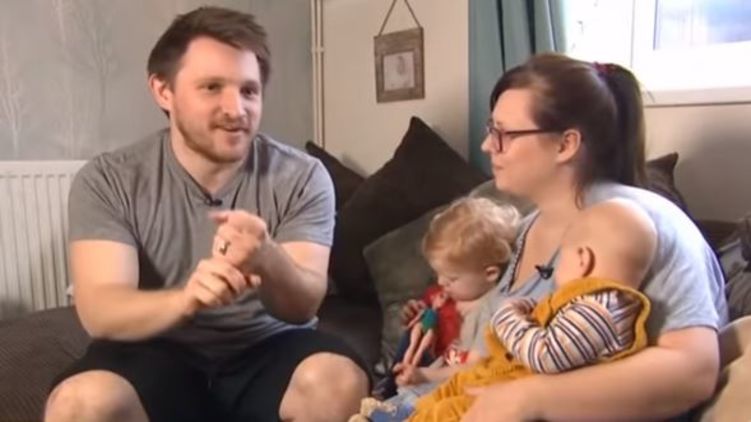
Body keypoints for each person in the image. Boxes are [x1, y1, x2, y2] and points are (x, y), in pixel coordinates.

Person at [44, 7, 368, 422]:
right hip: (154, 349)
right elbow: (100, 312)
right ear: (163, 91)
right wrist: (186, 299)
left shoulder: (303, 176)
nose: (236, 109)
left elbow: (304, 305)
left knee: (338, 382)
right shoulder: (109, 179)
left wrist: (267, 257)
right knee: (79, 404)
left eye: (249, 91)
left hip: (269, 348)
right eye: (212, 87)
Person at [458, 53, 727, 422]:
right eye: (492, 129)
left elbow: (693, 373)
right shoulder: (526, 227)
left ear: (565, 144)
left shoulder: (642, 222)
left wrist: (530, 398)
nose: (488, 146)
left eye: (505, 133)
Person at [410, 198, 657, 421]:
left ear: (583, 259)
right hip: (516, 380)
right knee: (454, 389)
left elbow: (546, 356)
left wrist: (507, 317)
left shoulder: (599, 311)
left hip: (531, 390)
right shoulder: (595, 304)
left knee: (449, 411)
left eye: (563, 256)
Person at [351, 198, 520, 421]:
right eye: (438, 274)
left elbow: (474, 370)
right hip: (431, 375)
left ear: (490, 273)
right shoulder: (452, 294)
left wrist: (424, 375)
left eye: (451, 278)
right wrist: (417, 315)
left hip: (447, 392)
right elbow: (426, 332)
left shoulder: (491, 313)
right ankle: (386, 398)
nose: (441, 282)